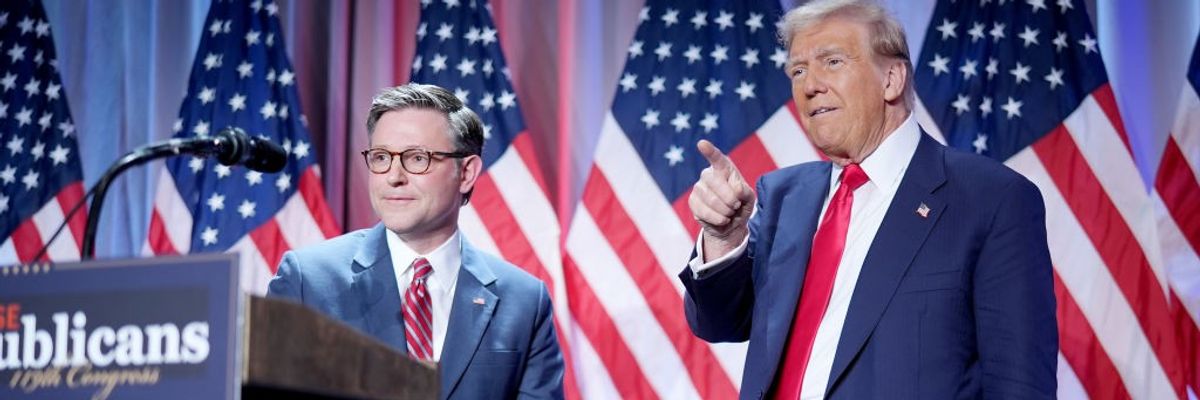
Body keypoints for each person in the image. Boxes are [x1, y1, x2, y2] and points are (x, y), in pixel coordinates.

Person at [680, 1, 1057, 399]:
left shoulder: (990, 198)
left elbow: (1019, 384)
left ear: (891, 79)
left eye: (833, 62)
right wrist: (723, 237)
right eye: (798, 70)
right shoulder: (783, 197)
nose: (809, 86)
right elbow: (718, 323)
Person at [268, 83, 563, 399]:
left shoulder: (524, 301)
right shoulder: (308, 281)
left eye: (417, 158)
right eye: (381, 157)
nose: (393, 176)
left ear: (466, 173)